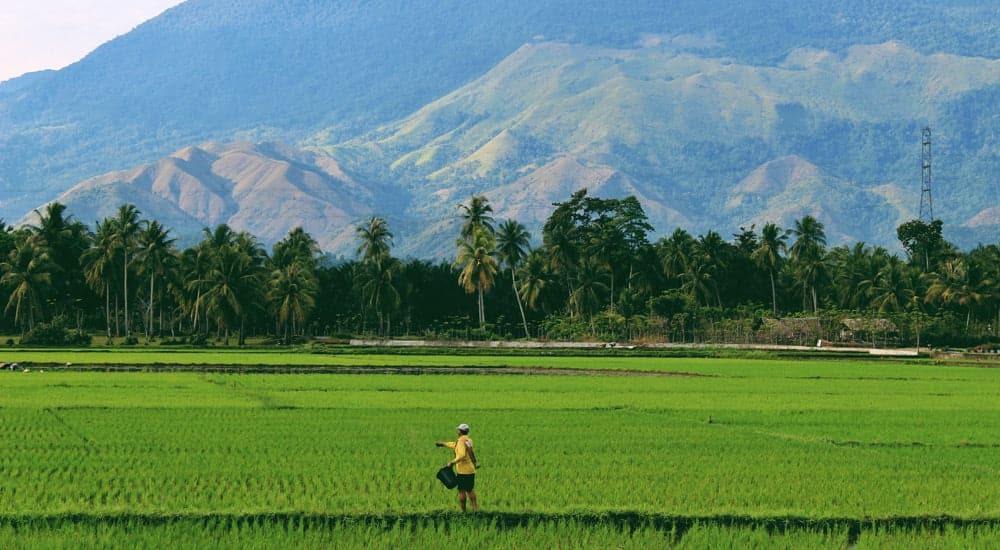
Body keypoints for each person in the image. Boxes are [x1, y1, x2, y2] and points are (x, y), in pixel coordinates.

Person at [436, 423, 478, 512]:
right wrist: (443, 444)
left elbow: (462, 454)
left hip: (463, 471)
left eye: (458, 430)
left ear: (459, 431)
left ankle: (463, 511)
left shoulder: (461, 441)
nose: (457, 431)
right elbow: (455, 445)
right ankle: (475, 510)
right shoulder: (468, 440)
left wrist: (452, 462)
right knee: (470, 490)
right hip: (471, 470)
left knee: (462, 491)